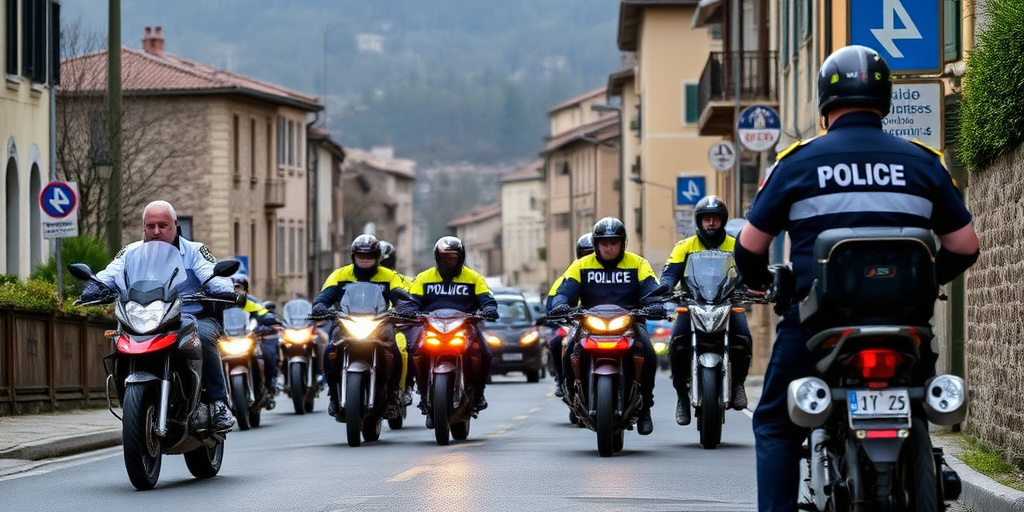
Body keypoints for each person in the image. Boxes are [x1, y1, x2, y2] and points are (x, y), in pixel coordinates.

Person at [734, 45, 980, 512]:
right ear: (883, 100)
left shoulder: (797, 163)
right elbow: (965, 246)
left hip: (817, 330)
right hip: (904, 327)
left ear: (826, 105)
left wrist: (764, 285)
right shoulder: (923, 161)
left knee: (774, 424)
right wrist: (928, 279)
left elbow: (749, 246)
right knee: (922, 406)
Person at [80, 200, 239, 430]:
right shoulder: (131, 252)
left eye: (162, 225)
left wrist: (219, 287)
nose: (156, 231)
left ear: (175, 224)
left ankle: (217, 403)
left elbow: (210, 272)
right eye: (150, 226)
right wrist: (95, 287)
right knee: (119, 337)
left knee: (203, 337)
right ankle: (131, 402)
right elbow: (110, 273)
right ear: (143, 227)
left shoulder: (194, 251)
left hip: (191, 316)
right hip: (147, 317)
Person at [548, 217, 664, 435]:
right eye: (604, 243)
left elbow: (650, 289)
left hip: (629, 324)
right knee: (567, 351)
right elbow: (564, 291)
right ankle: (572, 396)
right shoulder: (581, 265)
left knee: (648, 353)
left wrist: (656, 305)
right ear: (596, 244)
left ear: (623, 243)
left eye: (614, 242)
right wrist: (560, 304)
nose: (609, 247)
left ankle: (645, 408)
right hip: (589, 325)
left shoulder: (638, 263)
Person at [660, 195, 752, 426]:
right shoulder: (684, 246)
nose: (711, 223)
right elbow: (671, 272)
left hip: (727, 304)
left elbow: (746, 273)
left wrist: (751, 288)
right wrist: (665, 288)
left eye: (716, 219)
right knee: (677, 343)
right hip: (692, 305)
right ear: (699, 222)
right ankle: (682, 397)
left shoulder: (735, 245)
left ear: (723, 221)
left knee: (743, 338)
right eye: (706, 219)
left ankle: (739, 383)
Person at [400, 236, 498, 427]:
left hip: (465, 328)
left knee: (485, 353)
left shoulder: (473, 277)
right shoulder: (423, 277)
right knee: (415, 352)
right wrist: (408, 309)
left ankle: (477, 394)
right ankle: (424, 395)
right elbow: (411, 299)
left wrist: (489, 308)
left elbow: (487, 298)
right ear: (437, 257)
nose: (449, 261)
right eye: (445, 257)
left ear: (460, 257)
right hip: (432, 328)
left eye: (453, 257)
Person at [311, 234, 408, 417]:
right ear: (353, 256)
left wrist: (405, 308)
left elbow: (400, 296)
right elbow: (324, 297)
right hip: (347, 323)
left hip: (379, 324)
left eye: (369, 256)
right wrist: (320, 307)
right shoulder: (340, 274)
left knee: (395, 351)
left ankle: (394, 393)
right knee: (328, 351)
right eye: (360, 256)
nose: (364, 260)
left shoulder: (389, 276)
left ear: (377, 257)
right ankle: (333, 396)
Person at [544, 232, 594, 398]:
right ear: (579, 254)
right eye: (586, 254)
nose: (590, 257)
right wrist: (559, 311)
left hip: (609, 324)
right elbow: (553, 303)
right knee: (558, 342)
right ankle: (563, 380)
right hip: (575, 324)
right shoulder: (569, 275)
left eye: (593, 253)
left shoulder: (615, 272)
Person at [231, 273, 284, 407]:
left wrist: (272, 321)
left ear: (246, 289)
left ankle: (270, 382)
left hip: (248, 338)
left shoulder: (252, 302)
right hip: (228, 341)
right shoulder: (222, 303)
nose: (236, 291)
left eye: (239, 288)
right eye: (233, 288)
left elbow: (264, 314)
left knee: (267, 353)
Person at [378, 239, 415, 403]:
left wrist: (410, 310)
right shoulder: (359, 283)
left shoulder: (402, 281)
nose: (382, 266)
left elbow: (415, 300)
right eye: (378, 262)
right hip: (366, 328)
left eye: (385, 262)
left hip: (396, 327)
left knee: (405, 348)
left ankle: (405, 387)